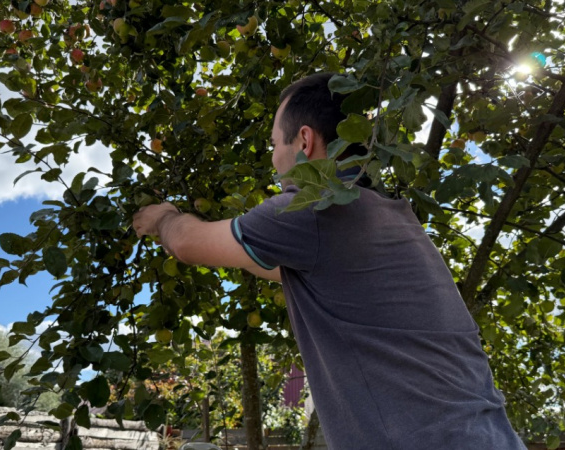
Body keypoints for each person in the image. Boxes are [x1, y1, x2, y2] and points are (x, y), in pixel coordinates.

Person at [132, 72, 526, 449]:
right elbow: (279, 267)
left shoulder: (313, 209)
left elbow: (188, 243)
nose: (273, 160)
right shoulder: (385, 215)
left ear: (304, 140)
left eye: (274, 145)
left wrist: (163, 218)